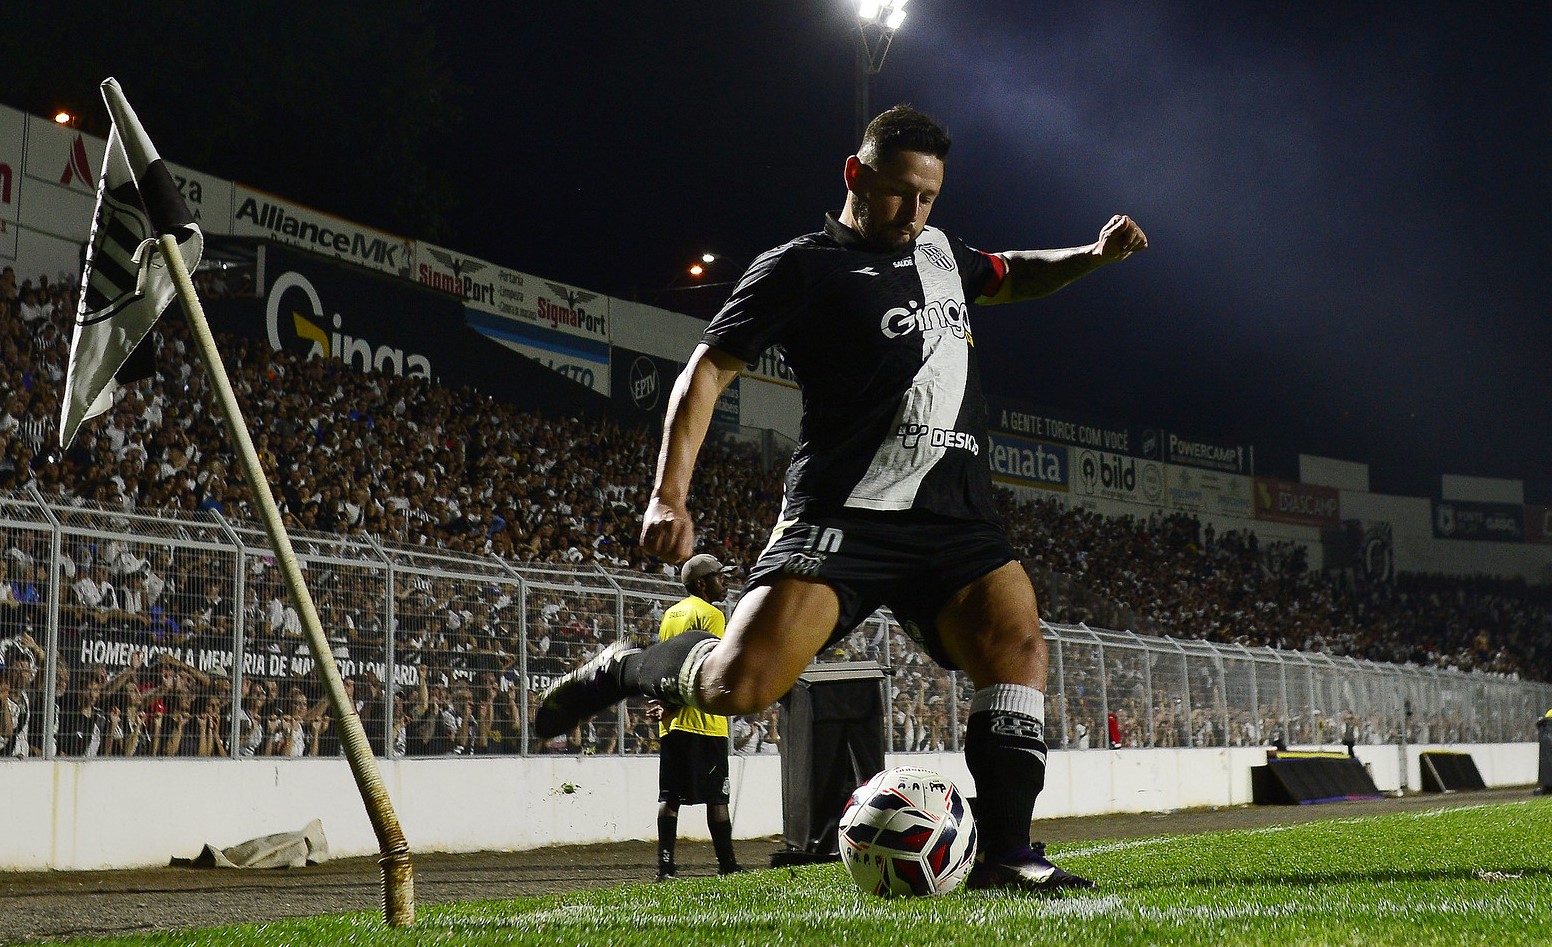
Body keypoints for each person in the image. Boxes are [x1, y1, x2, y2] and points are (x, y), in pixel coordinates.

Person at [527, 103, 1147, 891]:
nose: (914, 211)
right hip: (840, 518)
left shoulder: (942, 253)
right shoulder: (800, 265)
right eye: (900, 192)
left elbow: (1013, 271)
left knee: (1019, 645)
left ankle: (1009, 854)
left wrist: (1091, 255)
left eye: (929, 197)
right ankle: (631, 666)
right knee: (740, 687)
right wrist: (668, 495)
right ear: (856, 174)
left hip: (952, 520)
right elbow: (708, 370)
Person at [646, 553, 744, 881]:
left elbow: (664, 666)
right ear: (702, 583)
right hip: (706, 722)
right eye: (719, 575)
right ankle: (728, 867)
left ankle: (665, 868)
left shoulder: (670, 615)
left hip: (672, 722)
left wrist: (665, 704)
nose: (725, 580)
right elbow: (707, 669)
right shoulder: (712, 615)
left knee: (669, 797)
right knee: (717, 797)